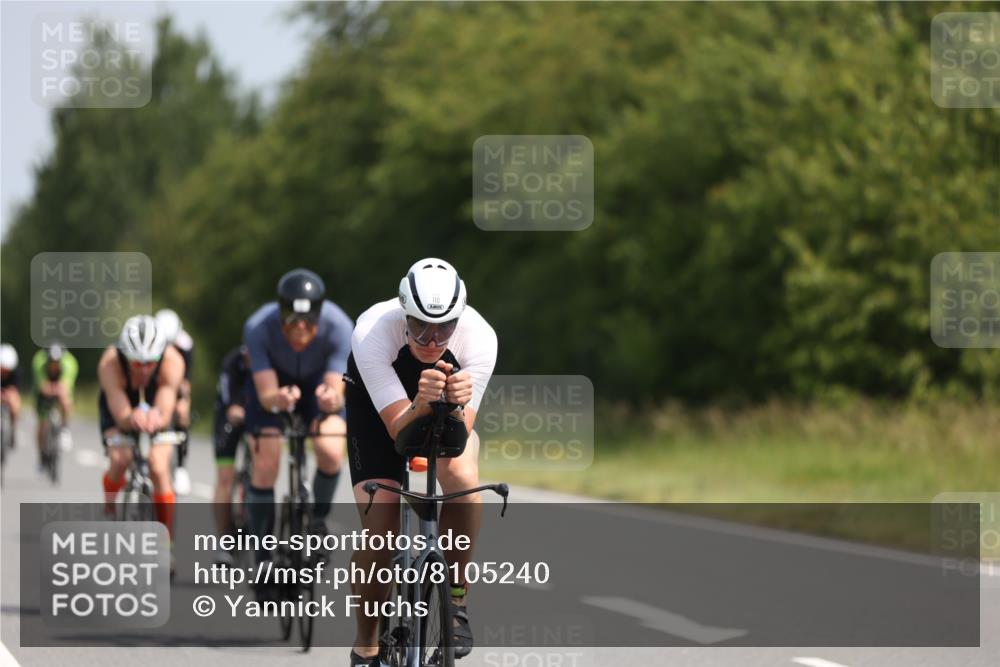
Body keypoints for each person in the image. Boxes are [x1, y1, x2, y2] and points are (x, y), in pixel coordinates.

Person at [345, 258, 497, 665]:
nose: (431, 340)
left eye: (444, 327)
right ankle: (366, 645)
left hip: (443, 414)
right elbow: (399, 431)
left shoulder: (480, 338)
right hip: (379, 417)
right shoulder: (373, 331)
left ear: (459, 319)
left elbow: (457, 437)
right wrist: (419, 403)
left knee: (464, 478)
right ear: (403, 312)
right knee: (382, 530)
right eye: (419, 326)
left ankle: (457, 599)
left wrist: (456, 402)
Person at [243, 268, 353, 600]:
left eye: (308, 321)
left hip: (317, 390)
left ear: (320, 315)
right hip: (273, 390)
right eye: (292, 320)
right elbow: (264, 393)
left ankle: (316, 520)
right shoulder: (258, 327)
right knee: (266, 461)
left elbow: (335, 391)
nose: (300, 328)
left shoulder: (340, 326)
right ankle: (263, 560)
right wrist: (276, 400)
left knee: (332, 449)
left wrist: (330, 400)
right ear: (280, 313)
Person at [98, 316, 185, 541]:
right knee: (120, 459)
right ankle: (109, 506)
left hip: (156, 404)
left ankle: (167, 540)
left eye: (151, 362)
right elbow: (120, 411)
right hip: (121, 404)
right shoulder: (110, 363)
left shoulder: (173, 360)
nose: (145, 369)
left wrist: (158, 417)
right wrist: (130, 418)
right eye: (137, 363)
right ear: (126, 356)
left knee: (158, 466)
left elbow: (166, 404)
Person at [211, 344, 252, 566]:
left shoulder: (274, 358)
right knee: (225, 478)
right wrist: (235, 411)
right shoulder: (232, 362)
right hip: (228, 418)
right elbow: (229, 399)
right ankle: (224, 541)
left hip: (257, 417)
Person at [155, 308, 194, 495]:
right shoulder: (152, 342)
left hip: (177, 380)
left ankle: (180, 466)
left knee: (182, 412)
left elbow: (186, 380)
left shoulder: (185, 344)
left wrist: (182, 399)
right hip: (156, 380)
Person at [32, 343, 79, 469]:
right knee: (42, 424)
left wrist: (57, 390)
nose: (54, 365)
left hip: (60, 388)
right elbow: (42, 386)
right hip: (44, 392)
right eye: (51, 362)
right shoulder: (39, 361)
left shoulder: (70, 363)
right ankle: (41, 455)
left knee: (66, 400)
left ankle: (65, 428)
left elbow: (66, 387)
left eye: (57, 362)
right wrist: (48, 389)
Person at [0, 344, 21, 446]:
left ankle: (13, 428)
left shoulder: (16, 373)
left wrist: (8, 396)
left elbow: (15, 391)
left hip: (8, 393)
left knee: (14, 404)